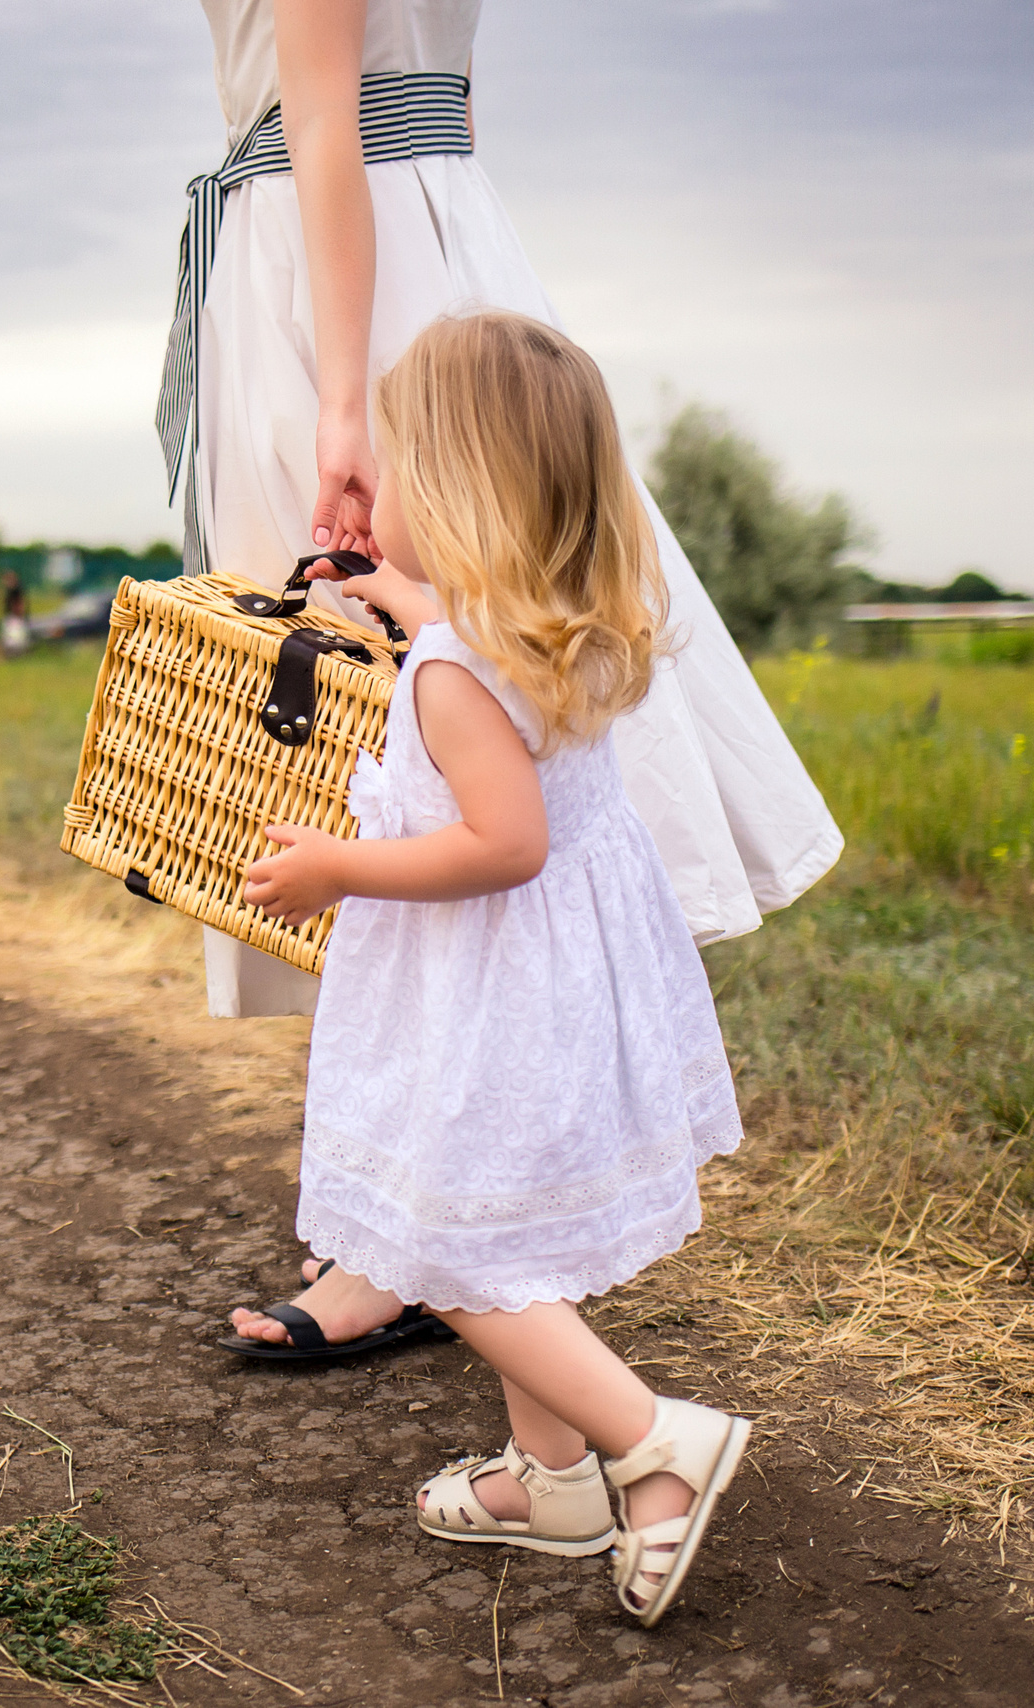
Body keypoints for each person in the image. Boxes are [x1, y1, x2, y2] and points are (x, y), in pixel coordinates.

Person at [173, 0, 842, 1355]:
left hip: (330, 263)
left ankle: (401, 1236)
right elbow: (450, 101)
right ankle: (418, 1201)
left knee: (370, 742)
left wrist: (343, 405)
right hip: (432, 227)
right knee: (451, 677)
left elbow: (325, 116)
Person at [239, 311, 748, 1626]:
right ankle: (556, 1480)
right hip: (562, 987)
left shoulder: (454, 676)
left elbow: (502, 843)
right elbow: (470, 669)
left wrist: (337, 869)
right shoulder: (537, 631)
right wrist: (409, 607)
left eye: (403, 471)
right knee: (509, 1229)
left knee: (448, 1251)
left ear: (460, 496)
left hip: (488, 992)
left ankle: (654, 1442)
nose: (384, 494)